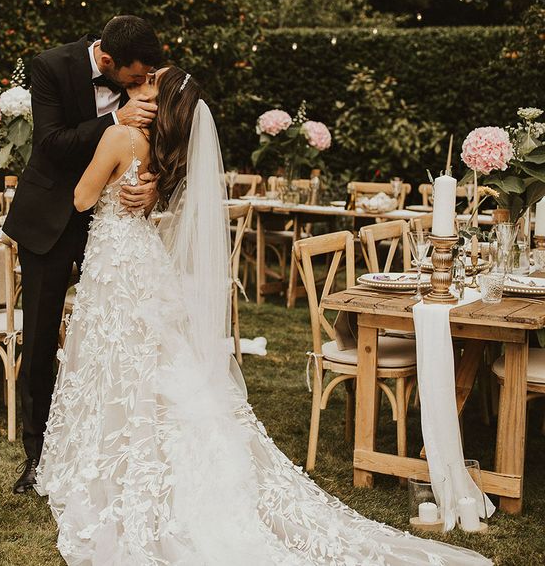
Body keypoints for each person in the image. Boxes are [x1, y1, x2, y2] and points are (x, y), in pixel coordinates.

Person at [36, 66, 492, 565]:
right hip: (138, 260)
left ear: (157, 100)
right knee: (148, 362)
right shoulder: (148, 144)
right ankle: (137, 458)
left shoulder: (120, 135)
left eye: (150, 83)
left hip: (116, 264)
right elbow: (140, 194)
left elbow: (82, 197)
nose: (141, 84)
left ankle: (117, 464)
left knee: (119, 360)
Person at [2, 16, 163, 494]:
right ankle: (37, 455)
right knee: (39, 340)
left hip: (111, 228)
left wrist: (152, 184)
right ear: (107, 61)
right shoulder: (50, 66)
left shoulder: (143, 72)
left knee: (112, 336)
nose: (140, 88)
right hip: (50, 219)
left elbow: (170, 144)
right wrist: (115, 120)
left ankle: (104, 444)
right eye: (132, 80)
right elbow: (51, 144)